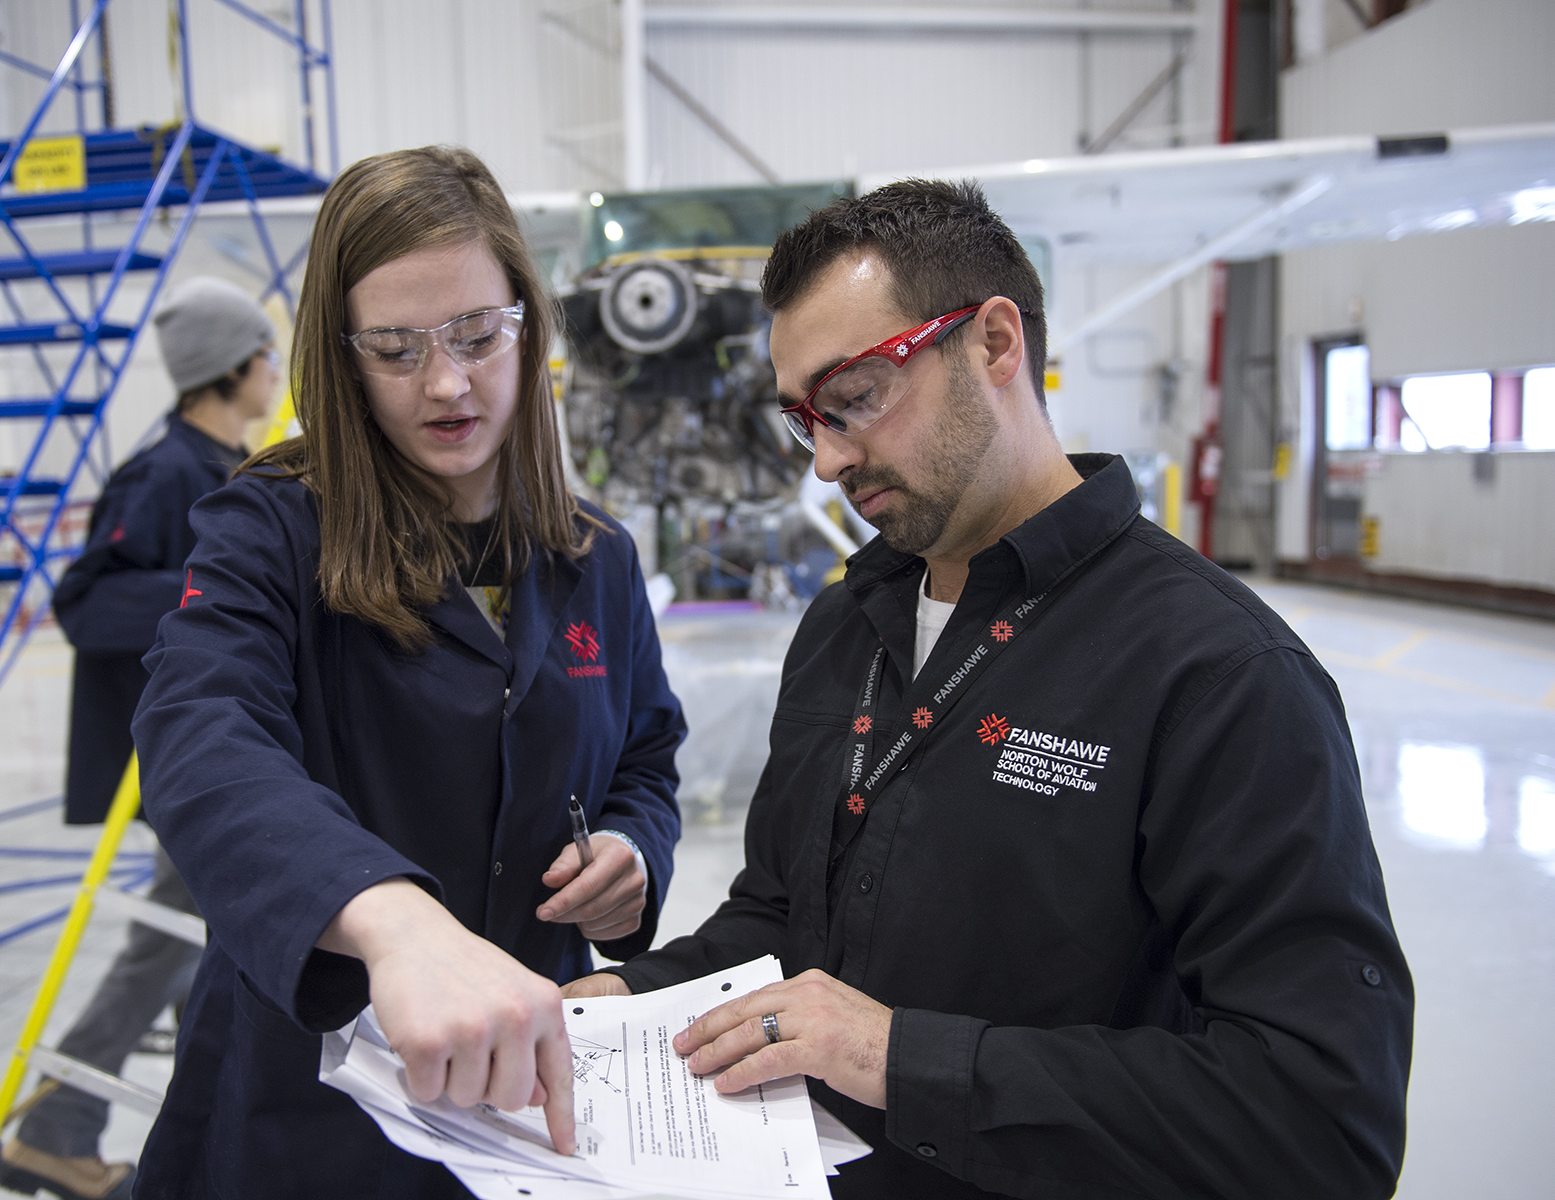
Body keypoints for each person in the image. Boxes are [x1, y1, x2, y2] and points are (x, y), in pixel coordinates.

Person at [564, 180, 1414, 1199]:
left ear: (996, 344)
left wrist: (900, 1060)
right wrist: (617, 1001)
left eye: (858, 396)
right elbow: (781, 921)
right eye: (805, 419)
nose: (829, 457)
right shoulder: (845, 626)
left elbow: (1322, 1123)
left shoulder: (1218, 675)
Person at [128, 146, 685, 1199]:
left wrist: (632, 848)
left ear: (527, 321)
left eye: (477, 335)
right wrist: (394, 922)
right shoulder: (271, 530)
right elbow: (203, 733)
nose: (447, 383)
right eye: (394, 348)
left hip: (533, 1092)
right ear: (340, 360)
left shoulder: (594, 555)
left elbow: (647, 751)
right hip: (313, 1107)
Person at [0, 278, 281, 1200]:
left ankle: (61, 1120)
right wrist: (219, 584)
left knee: (190, 939)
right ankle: (56, 1125)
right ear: (231, 370)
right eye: (265, 357)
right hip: (167, 755)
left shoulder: (220, 461)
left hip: (210, 744)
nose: (276, 373)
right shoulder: (164, 472)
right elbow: (84, 599)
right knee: (177, 941)